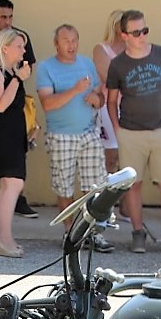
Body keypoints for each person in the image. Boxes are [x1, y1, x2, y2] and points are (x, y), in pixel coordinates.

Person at [106, 9, 161, 255]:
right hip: (131, 132)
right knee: (134, 186)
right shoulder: (118, 64)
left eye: (145, 30)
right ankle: (137, 233)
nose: (142, 36)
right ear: (124, 35)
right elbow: (111, 100)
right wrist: (117, 128)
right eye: (136, 32)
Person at [36, 23, 111, 252]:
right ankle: (70, 233)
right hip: (61, 136)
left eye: (75, 40)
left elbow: (100, 96)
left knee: (95, 187)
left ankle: (93, 233)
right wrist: (75, 91)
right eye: (66, 40)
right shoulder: (47, 68)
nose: (71, 45)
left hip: (88, 132)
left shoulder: (86, 63)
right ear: (56, 43)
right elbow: (47, 104)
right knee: (64, 187)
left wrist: (98, 100)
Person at [0, 0, 38, 219]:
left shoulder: (19, 37)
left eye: (11, 16)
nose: (8, 21)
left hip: (14, 110)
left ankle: (17, 202)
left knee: (13, 178)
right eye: (3, 17)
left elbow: (27, 69)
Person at [0, 28, 33, 258]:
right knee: (12, 185)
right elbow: (0, 105)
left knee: (11, 185)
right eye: (19, 46)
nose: (24, 51)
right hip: (1, 135)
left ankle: (5, 238)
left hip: (14, 133)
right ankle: (4, 239)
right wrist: (17, 79)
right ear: (5, 48)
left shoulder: (12, 72)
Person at [91, 9, 126, 174]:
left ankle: (125, 199)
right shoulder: (101, 49)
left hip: (130, 106)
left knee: (127, 158)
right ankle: (107, 197)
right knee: (110, 156)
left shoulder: (132, 49)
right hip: (108, 106)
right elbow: (109, 77)